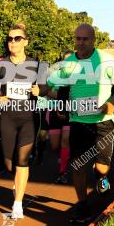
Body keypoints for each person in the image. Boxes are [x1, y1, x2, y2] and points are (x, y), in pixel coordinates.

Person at [47, 24, 114, 223]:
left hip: (102, 121)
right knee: (77, 163)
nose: (80, 43)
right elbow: (52, 85)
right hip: (78, 121)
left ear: (94, 40)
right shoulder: (68, 63)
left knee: (102, 167)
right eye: (78, 38)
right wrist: (37, 88)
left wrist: (112, 102)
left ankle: (100, 176)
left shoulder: (104, 59)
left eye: (85, 39)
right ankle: (82, 204)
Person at [0, 24, 49, 219]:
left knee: (22, 160)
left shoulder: (39, 65)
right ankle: (16, 179)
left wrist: (40, 91)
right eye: (10, 39)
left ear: (25, 42)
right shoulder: (0, 65)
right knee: (8, 163)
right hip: (8, 117)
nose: (12, 42)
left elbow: (47, 88)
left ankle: (18, 204)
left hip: (29, 117)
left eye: (17, 38)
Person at [47, 51, 73, 183]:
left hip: (71, 112)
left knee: (65, 141)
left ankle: (62, 172)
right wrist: (59, 97)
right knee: (54, 145)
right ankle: (63, 156)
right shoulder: (55, 76)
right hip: (54, 111)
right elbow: (46, 90)